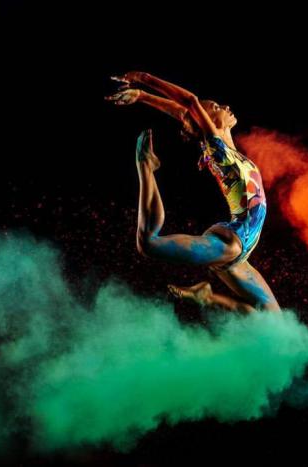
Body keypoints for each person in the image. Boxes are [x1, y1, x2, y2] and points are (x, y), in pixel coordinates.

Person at [106, 71, 280, 313]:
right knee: (148, 244)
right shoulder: (217, 148)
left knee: (272, 317)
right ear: (208, 121)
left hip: (238, 252)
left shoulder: (228, 147)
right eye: (216, 107)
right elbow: (189, 102)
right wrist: (143, 79)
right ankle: (145, 165)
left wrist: (143, 97)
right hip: (230, 244)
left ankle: (207, 297)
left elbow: (183, 112)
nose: (226, 107)